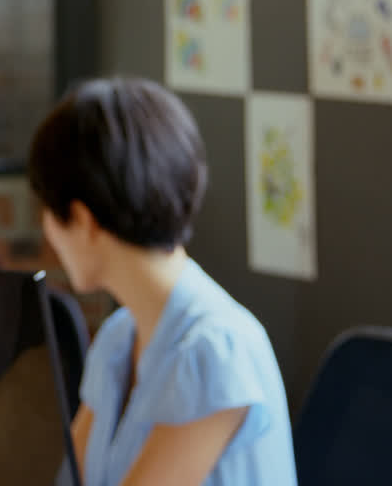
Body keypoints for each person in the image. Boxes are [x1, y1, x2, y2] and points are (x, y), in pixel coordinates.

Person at [27, 77, 295, 486]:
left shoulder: (215, 351)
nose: (47, 234)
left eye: (48, 212)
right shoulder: (120, 339)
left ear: (82, 220)